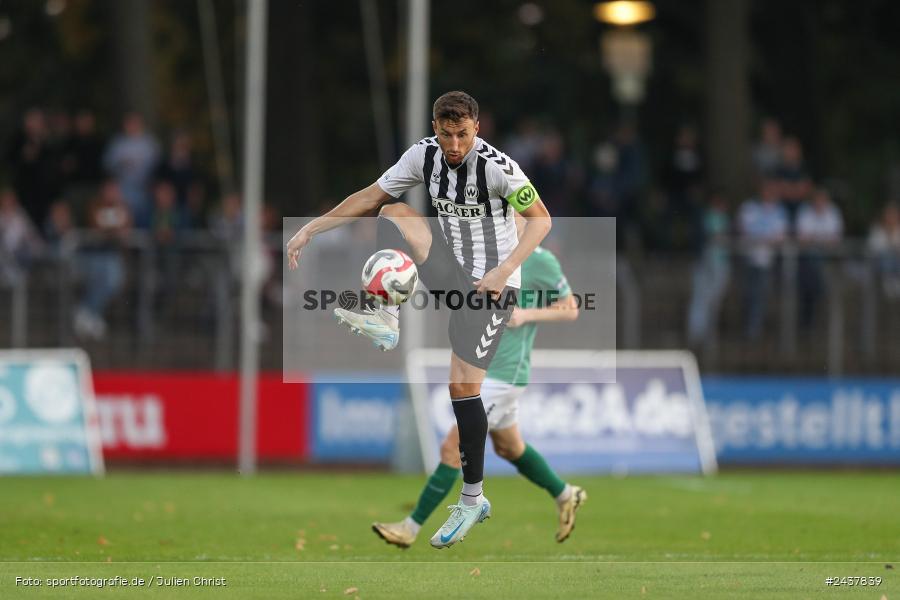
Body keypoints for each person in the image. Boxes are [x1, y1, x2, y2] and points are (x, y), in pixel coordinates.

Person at [286, 91, 552, 549]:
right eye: (446, 134)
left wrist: (505, 270)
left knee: (461, 389)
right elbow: (370, 197)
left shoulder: (497, 167)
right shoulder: (422, 156)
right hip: (452, 271)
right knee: (393, 210)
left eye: (462, 134)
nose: (453, 144)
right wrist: (311, 227)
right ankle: (384, 312)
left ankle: (473, 499)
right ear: (435, 128)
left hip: (493, 288)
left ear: (477, 129)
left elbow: (541, 220)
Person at [372, 239, 585, 548]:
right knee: (509, 448)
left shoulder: (540, 261)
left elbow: (570, 308)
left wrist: (526, 314)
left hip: (505, 373)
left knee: (451, 447)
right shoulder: (485, 254)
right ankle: (566, 494)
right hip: (481, 367)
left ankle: (410, 527)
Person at [738, 178, 788, 340]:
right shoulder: (749, 207)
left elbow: (779, 236)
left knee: (759, 296)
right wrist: (765, 237)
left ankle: (753, 332)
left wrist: (762, 237)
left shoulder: (779, 211)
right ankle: (748, 329)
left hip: (766, 261)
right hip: (749, 258)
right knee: (747, 294)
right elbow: (746, 230)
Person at [795, 187, 843, 329]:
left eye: (822, 200)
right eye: (817, 200)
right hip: (809, 259)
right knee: (811, 263)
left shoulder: (833, 213)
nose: (819, 203)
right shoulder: (805, 213)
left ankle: (818, 293)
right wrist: (821, 241)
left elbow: (835, 239)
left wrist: (816, 240)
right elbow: (803, 239)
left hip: (828, 258)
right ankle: (816, 293)